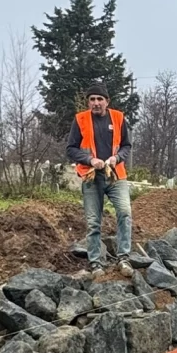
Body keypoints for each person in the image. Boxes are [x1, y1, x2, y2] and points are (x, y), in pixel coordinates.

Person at [66, 83, 134, 277]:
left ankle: (124, 258)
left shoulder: (118, 118)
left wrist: (116, 158)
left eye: (99, 99)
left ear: (107, 101)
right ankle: (96, 262)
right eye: (92, 99)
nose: (96, 103)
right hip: (91, 176)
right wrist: (90, 160)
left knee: (124, 212)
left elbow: (126, 146)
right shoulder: (80, 120)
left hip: (115, 175)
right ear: (88, 102)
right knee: (93, 221)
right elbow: (71, 148)